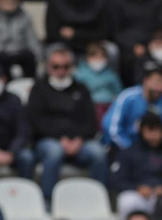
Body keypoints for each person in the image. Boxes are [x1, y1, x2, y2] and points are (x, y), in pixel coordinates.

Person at [27, 47, 106, 199]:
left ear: (72, 67)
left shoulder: (81, 89)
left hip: (79, 142)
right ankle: (48, 201)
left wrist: (78, 139)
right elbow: (35, 121)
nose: (61, 71)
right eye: (56, 66)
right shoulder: (39, 89)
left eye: (65, 66)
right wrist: (60, 140)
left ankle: (100, 198)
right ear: (48, 67)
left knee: (98, 153)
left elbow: (91, 121)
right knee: (54, 152)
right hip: (48, 140)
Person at [112, 116, 162, 219]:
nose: (154, 136)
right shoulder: (129, 152)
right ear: (141, 131)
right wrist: (137, 188)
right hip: (138, 194)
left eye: (157, 131)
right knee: (127, 201)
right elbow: (118, 180)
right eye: (150, 131)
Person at [102, 65, 162, 152]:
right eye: (157, 82)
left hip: (151, 149)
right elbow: (111, 128)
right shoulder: (128, 97)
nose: (159, 88)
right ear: (146, 81)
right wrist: (130, 150)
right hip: (122, 146)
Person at [45, 0, 113, 56]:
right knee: (53, 50)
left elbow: (104, 32)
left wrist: (76, 34)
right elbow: (52, 33)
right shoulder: (56, 1)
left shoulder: (99, 2)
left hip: (93, 44)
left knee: (112, 50)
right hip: (65, 45)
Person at [0, 0, 45, 80]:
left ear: (18, 1)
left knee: (30, 58)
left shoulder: (24, 16)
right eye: (5, 0)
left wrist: (40, 57)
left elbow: (32, 40)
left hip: (20, 53)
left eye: (11, 0)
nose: (8, 3)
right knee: (1, 62)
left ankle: (29, 88)